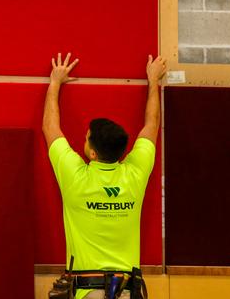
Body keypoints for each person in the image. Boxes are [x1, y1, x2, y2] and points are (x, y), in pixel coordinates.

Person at [43, 53, 166, 299]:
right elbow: (152, 125)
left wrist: (55, 82)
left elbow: (50, 127)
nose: (84, 138)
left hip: (87, 292)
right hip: (127, 292)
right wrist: (154, 81)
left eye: (86, 137)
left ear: (92, 152)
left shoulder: (75, 177)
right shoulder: (135, 173)